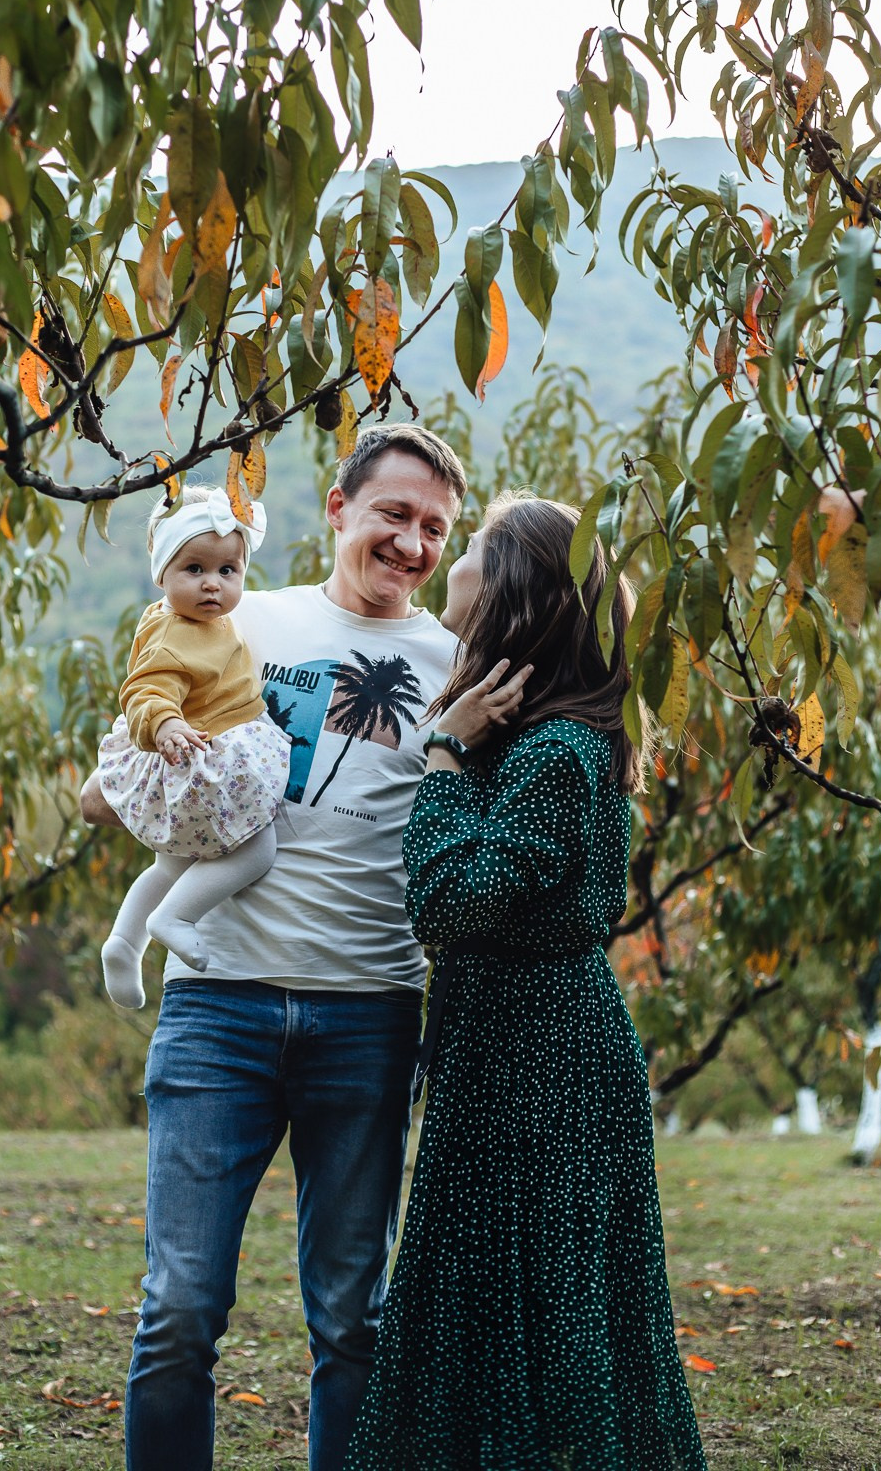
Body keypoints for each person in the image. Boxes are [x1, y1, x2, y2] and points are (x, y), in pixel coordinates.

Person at [79, 424, 472, 1471]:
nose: (413, 543)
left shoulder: (453, 663)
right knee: (178, 1314)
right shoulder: (243, 610)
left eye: (436, 527)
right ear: (338, 510)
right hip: (221, 1006)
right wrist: (115, 782)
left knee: (354, 1322)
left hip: (369, 1016)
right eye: (395, 513)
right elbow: (139, 732)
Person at [343, 492, 709, 1471]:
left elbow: (451, 902)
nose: (448, 561)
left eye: (470, 546)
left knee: (538, 1310)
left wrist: (446, 753)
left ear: (515, 592)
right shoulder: (556, 742)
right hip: (514, 1052)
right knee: (531, 1305)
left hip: (537, 1062)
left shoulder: (551, 755)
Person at [97, 484, 292, 1001]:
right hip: (199, 754)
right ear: (163, 573)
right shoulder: (175, 632)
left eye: (227, 571)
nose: (213, 586)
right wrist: (164, 724)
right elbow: (145, 688)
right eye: (195, 570)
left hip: (201, 749)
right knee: (257, 850)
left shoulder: (192, 618)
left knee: (171, 864)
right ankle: (175, 918)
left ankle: (123, 941)